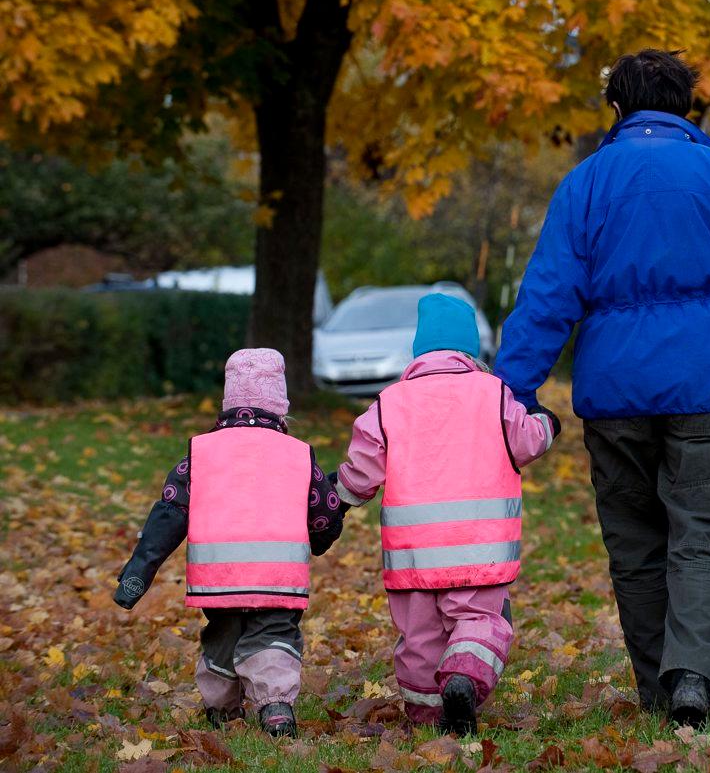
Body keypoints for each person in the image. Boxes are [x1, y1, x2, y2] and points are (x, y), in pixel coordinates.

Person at [494, 49, 710, 726]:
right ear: (686, 108)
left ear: (617, 108)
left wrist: (510, 392)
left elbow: (547, 297)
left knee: (635, 543)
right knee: (702, 534)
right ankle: (690, 681)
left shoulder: (585, 184)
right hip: (709, 386)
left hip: (614, 392)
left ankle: (656, 685)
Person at [333, 294, 558, 735]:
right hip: (479, 551)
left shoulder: (390, 402)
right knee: (478, 621)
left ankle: (426, 715)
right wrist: (548, 423)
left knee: (419, 638)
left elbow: (363, 469)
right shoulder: (494, 394)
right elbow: (526, 441)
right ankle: (463, 679)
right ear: (470, 348)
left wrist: (338, 499)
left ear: (419, 349)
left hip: (412, 555)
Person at [112, 348, 346, 738]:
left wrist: (138, 573)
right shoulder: (298, 454)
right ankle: (275, 707)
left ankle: (220, 707)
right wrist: (323, 536)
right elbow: (323, 509)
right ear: (281, 407)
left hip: (217, 578)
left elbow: (169, 513)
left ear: (226, 403)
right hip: (278, 577)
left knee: (222, 637)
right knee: (273, 635)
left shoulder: (200, 454)